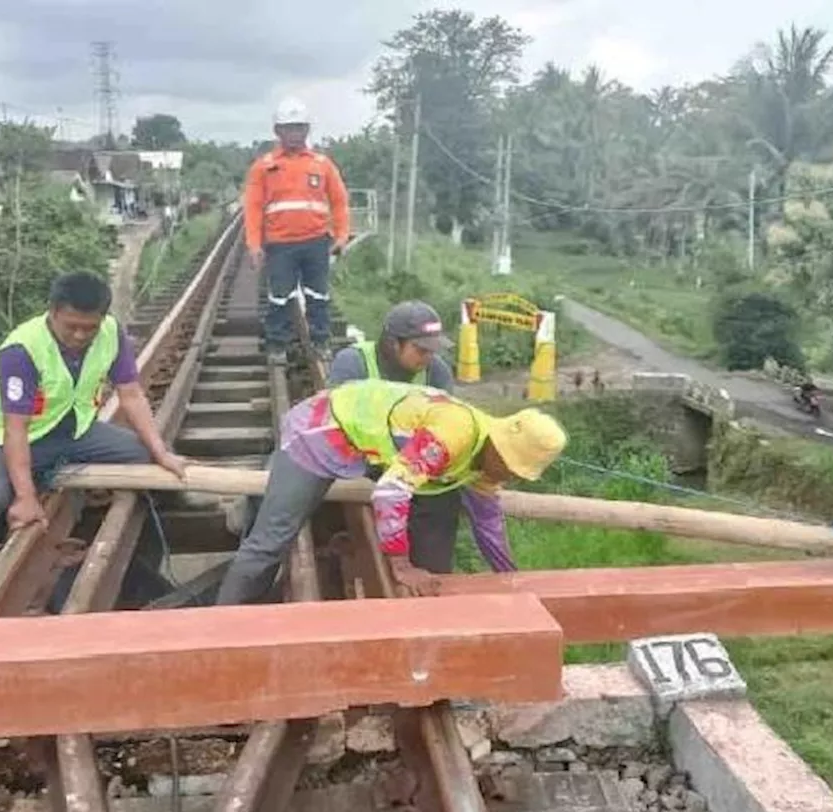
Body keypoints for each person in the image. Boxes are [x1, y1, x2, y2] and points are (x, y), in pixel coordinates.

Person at [213, 379, 568, 605]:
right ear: (500, 447)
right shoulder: (454, 434)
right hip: (322, 432)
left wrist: (513, 581)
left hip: (366, 450)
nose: (510, 476)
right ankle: (217, 630)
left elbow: (488, 524)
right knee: (271, 541)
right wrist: (401, 566)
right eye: (511, 467)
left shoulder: (486, 460)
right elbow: (390, 492)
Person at [0, 271, 188, 563]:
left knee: (144, 454)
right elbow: (15, 429)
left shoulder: (110, 332)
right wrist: (26, 498)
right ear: (53, 312)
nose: (80, 336)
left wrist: (161, 452)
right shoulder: (22, 350)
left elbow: (131, 395)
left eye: (89, 328)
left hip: (74, 432)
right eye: (72, 327)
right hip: (12, 439)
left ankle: (170, 506)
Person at [326, 301, 462, 573]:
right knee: (291, 476)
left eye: (432, 350)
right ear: (392, 344)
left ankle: (434, 573)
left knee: (447, 493)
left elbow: (447, 428)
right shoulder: (353, 363)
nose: (427, 358)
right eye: (420, 349)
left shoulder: (436, 372)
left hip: (410, 467)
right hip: (359, 462)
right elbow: (337, 425)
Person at [243, 96, 350, 365]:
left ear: (307, 130)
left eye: (299, 127)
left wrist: (341, 235)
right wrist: (254, 245)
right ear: (278, 131)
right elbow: (253, 208)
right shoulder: (264, 167)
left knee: (318, 295)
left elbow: (339, 201)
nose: (294, 133)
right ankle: (277, 345)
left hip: (316, 242)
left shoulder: (322, 164)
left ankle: (321, 342)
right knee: (279, 296)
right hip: (280, 244)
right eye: (288, 128)